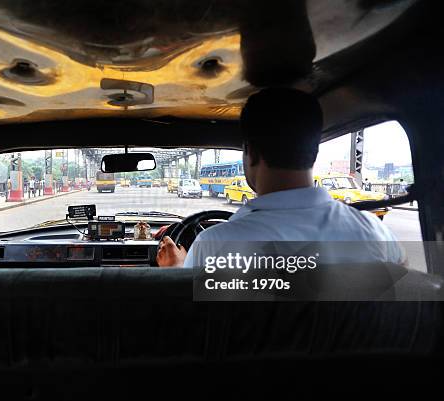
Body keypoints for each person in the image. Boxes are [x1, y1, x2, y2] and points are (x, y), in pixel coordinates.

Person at [157, 87, 406, 268]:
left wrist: (175, 272)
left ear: (251, 153)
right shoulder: (374, 233)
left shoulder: (215, 244)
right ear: (314, 151)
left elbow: (197, 326)